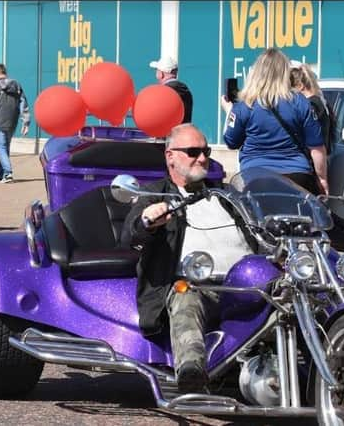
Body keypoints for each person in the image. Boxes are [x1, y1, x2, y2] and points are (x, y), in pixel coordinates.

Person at [121, 123, 256, 393]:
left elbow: (261, 228)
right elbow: (131, 235)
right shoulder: (155, 194)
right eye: (193, 151)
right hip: (199, 287)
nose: (203, 158)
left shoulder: (227, 195)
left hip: (250, 284)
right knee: (185, 294)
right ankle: (191, 370)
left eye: (205, 150)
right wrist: (147, 222)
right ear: (170, 156)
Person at [222, 48, 328, 195]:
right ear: (284, 73)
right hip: (297, 175)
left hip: (255, 176)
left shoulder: (244, 106)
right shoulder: (300, 102)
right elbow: (317, 148)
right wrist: (322, 179)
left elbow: (231, 141)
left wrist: (229, 112)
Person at [0, 63, 30, 183]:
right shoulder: (16, 85)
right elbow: (23, 103)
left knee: (1, 147)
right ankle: (1, 173)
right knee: (5, 147)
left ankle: (8, 173)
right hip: (12, 121)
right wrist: (25, 122)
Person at [290, 63, 334, 154]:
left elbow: (311, 138)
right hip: (321, 155)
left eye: (291, 89)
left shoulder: (310, 105)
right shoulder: (320, 101)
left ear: (300, 86)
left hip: (314, 158)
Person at [149, 56, 193, 123]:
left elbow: (151, 112)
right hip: (184, 131)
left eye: (157, 70)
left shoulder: (165, 92)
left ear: (161, 74)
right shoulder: (185, 90)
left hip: (170, 132)